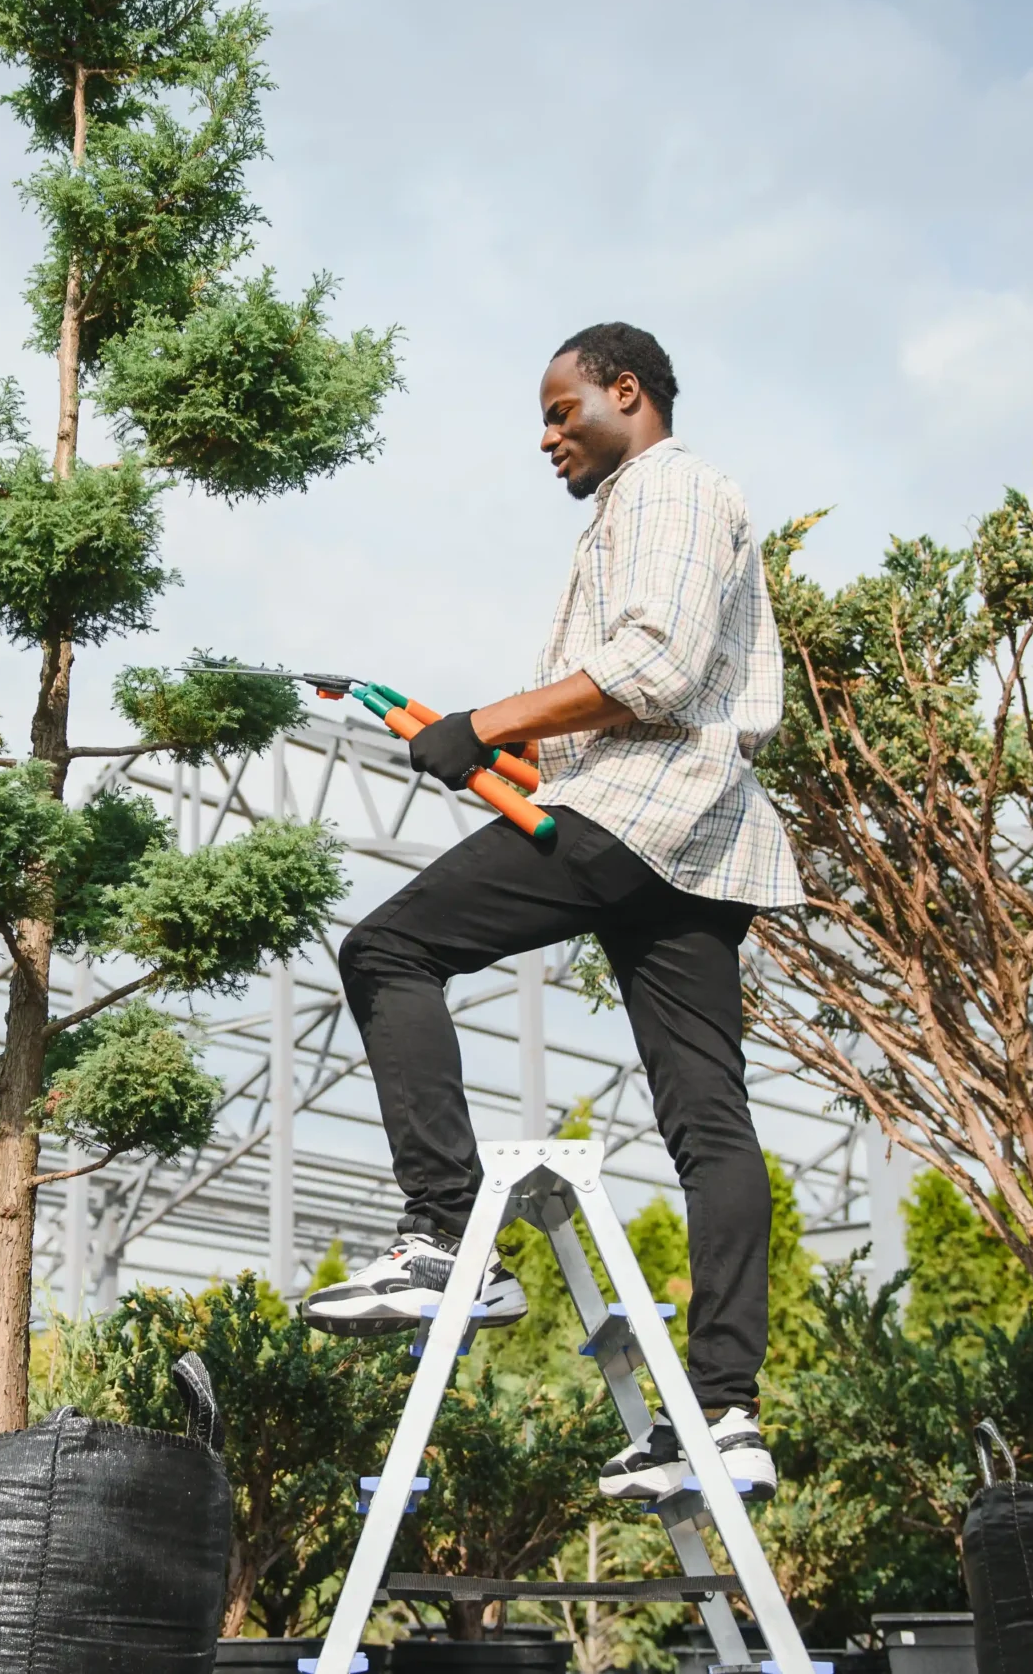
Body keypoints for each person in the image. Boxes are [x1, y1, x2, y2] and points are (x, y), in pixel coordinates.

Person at [300, 323, 803, 1503]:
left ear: (626, 392)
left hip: (641, 811)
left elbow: (658, 666)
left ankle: (443, 1235)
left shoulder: (668, 486)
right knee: (708, 1120)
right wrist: (509, 752)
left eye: (559, 408)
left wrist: (486, 723)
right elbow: (645, 693)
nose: (546, 435)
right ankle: (725, 1416)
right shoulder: (652, 504)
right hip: (692, 833)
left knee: (387, 948)